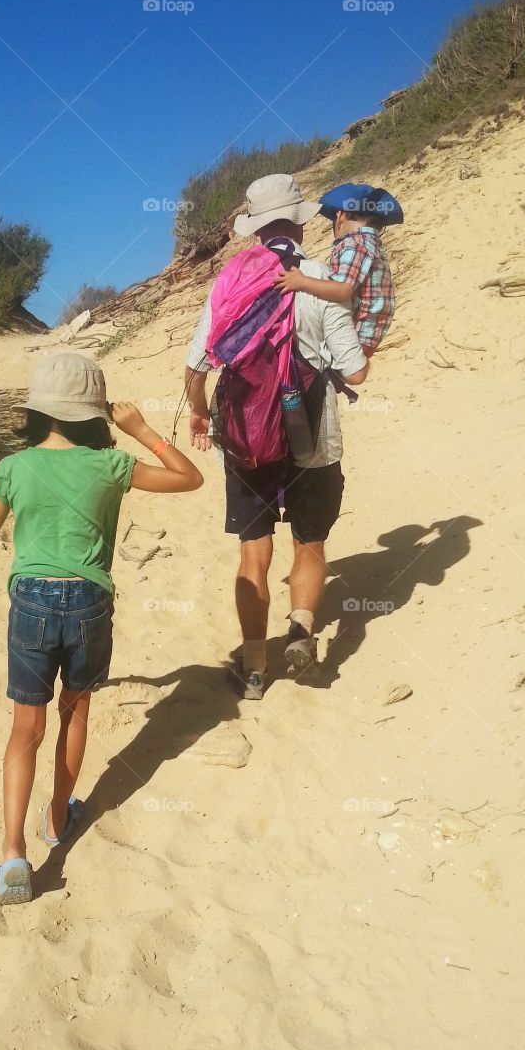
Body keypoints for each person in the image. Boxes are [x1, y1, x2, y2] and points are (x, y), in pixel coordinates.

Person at [0, 352, 202, 906]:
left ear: (38, 411)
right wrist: (141, 428)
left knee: (26, 727)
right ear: (94, 414)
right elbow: (188, 479)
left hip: (30, 599)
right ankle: (57, 817)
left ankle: (12, 855)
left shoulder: (16, 467)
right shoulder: (110, 465)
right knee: (75, 712)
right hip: (89, 599)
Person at [184, 173, 369, 700]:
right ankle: (303, 632)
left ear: (255, 229)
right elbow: (354, 373)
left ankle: (256, 669)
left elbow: (196, 365)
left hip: (247, 438)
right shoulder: (320, 278)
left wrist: (199, 414)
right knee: (309, 539)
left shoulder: (229, 283)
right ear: (300, 222)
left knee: (253, 550)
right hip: (312, 436)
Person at [273, 182, 400, 358]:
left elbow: (342, 290)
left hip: (356, 336)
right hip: (370, 334)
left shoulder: (354, 244)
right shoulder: (373, 245)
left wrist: (301, 282)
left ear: (340, 217)